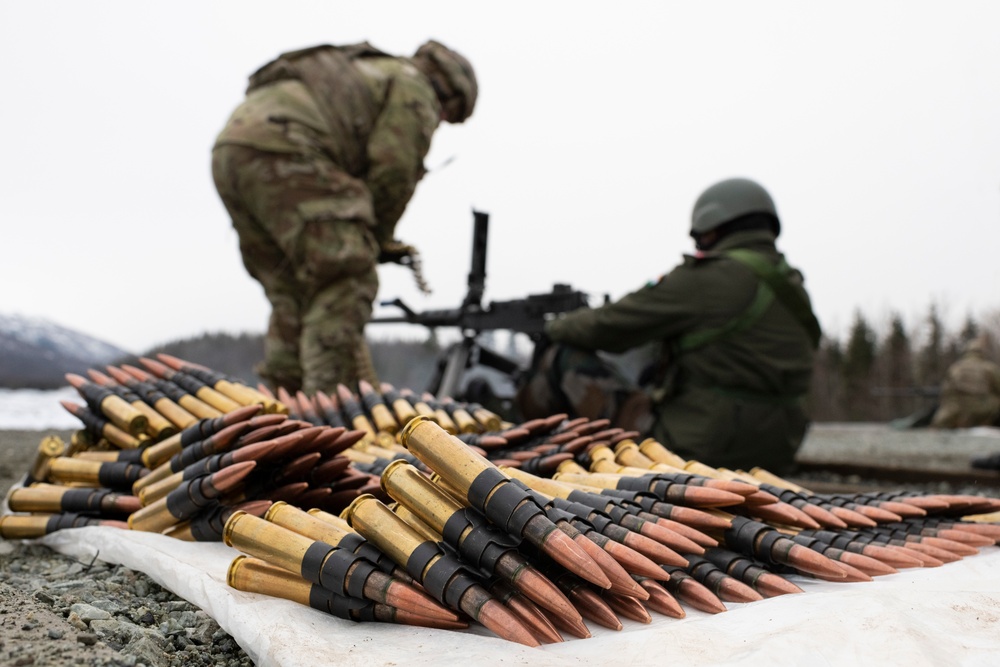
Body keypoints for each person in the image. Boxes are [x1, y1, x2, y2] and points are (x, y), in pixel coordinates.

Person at [211, 40, 477, 395]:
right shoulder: (414, 87)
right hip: (291, 148)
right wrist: (375, 240)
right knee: (346, 277)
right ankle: (330, 416)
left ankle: (284, 411)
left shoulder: (373, 72)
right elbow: (394, 170)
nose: (440, 122)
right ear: (448, 93)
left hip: (232, 152)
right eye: (448, 116)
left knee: (293, 292)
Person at [517, 177, 821, 474]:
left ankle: (533, 459)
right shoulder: (793, 285)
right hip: (777, 449)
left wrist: (555, 327)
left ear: (712, 225)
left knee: (563, 356)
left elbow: (610, 325)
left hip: (699, 449)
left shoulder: (709, 277)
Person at [931, 334, 1000, 430]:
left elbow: (946, 392)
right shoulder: (989, 368)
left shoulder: (955, 368)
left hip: (958, 409)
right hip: (983, 408)